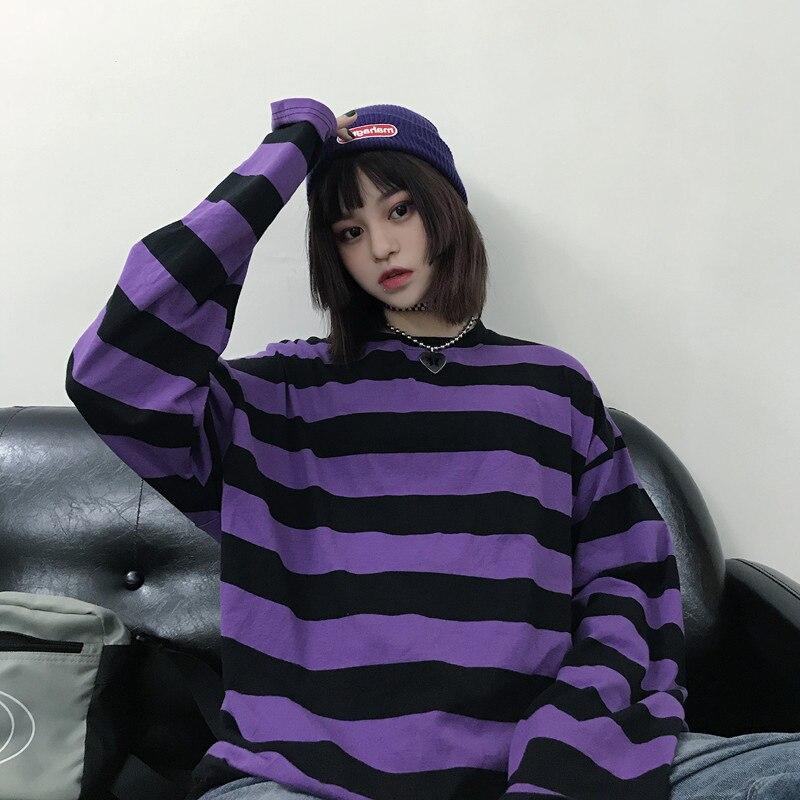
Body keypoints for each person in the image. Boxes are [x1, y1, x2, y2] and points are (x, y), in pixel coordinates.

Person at [64, 98, 800, 800]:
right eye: (348, 230)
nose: (380, 247)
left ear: (445, 211)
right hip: (306, 778)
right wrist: (292, 147)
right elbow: (111, 371)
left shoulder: (551, 390)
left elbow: (626, 590)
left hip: (541, 763)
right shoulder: (274, 398)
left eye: (399, 210)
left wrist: (566, 759)